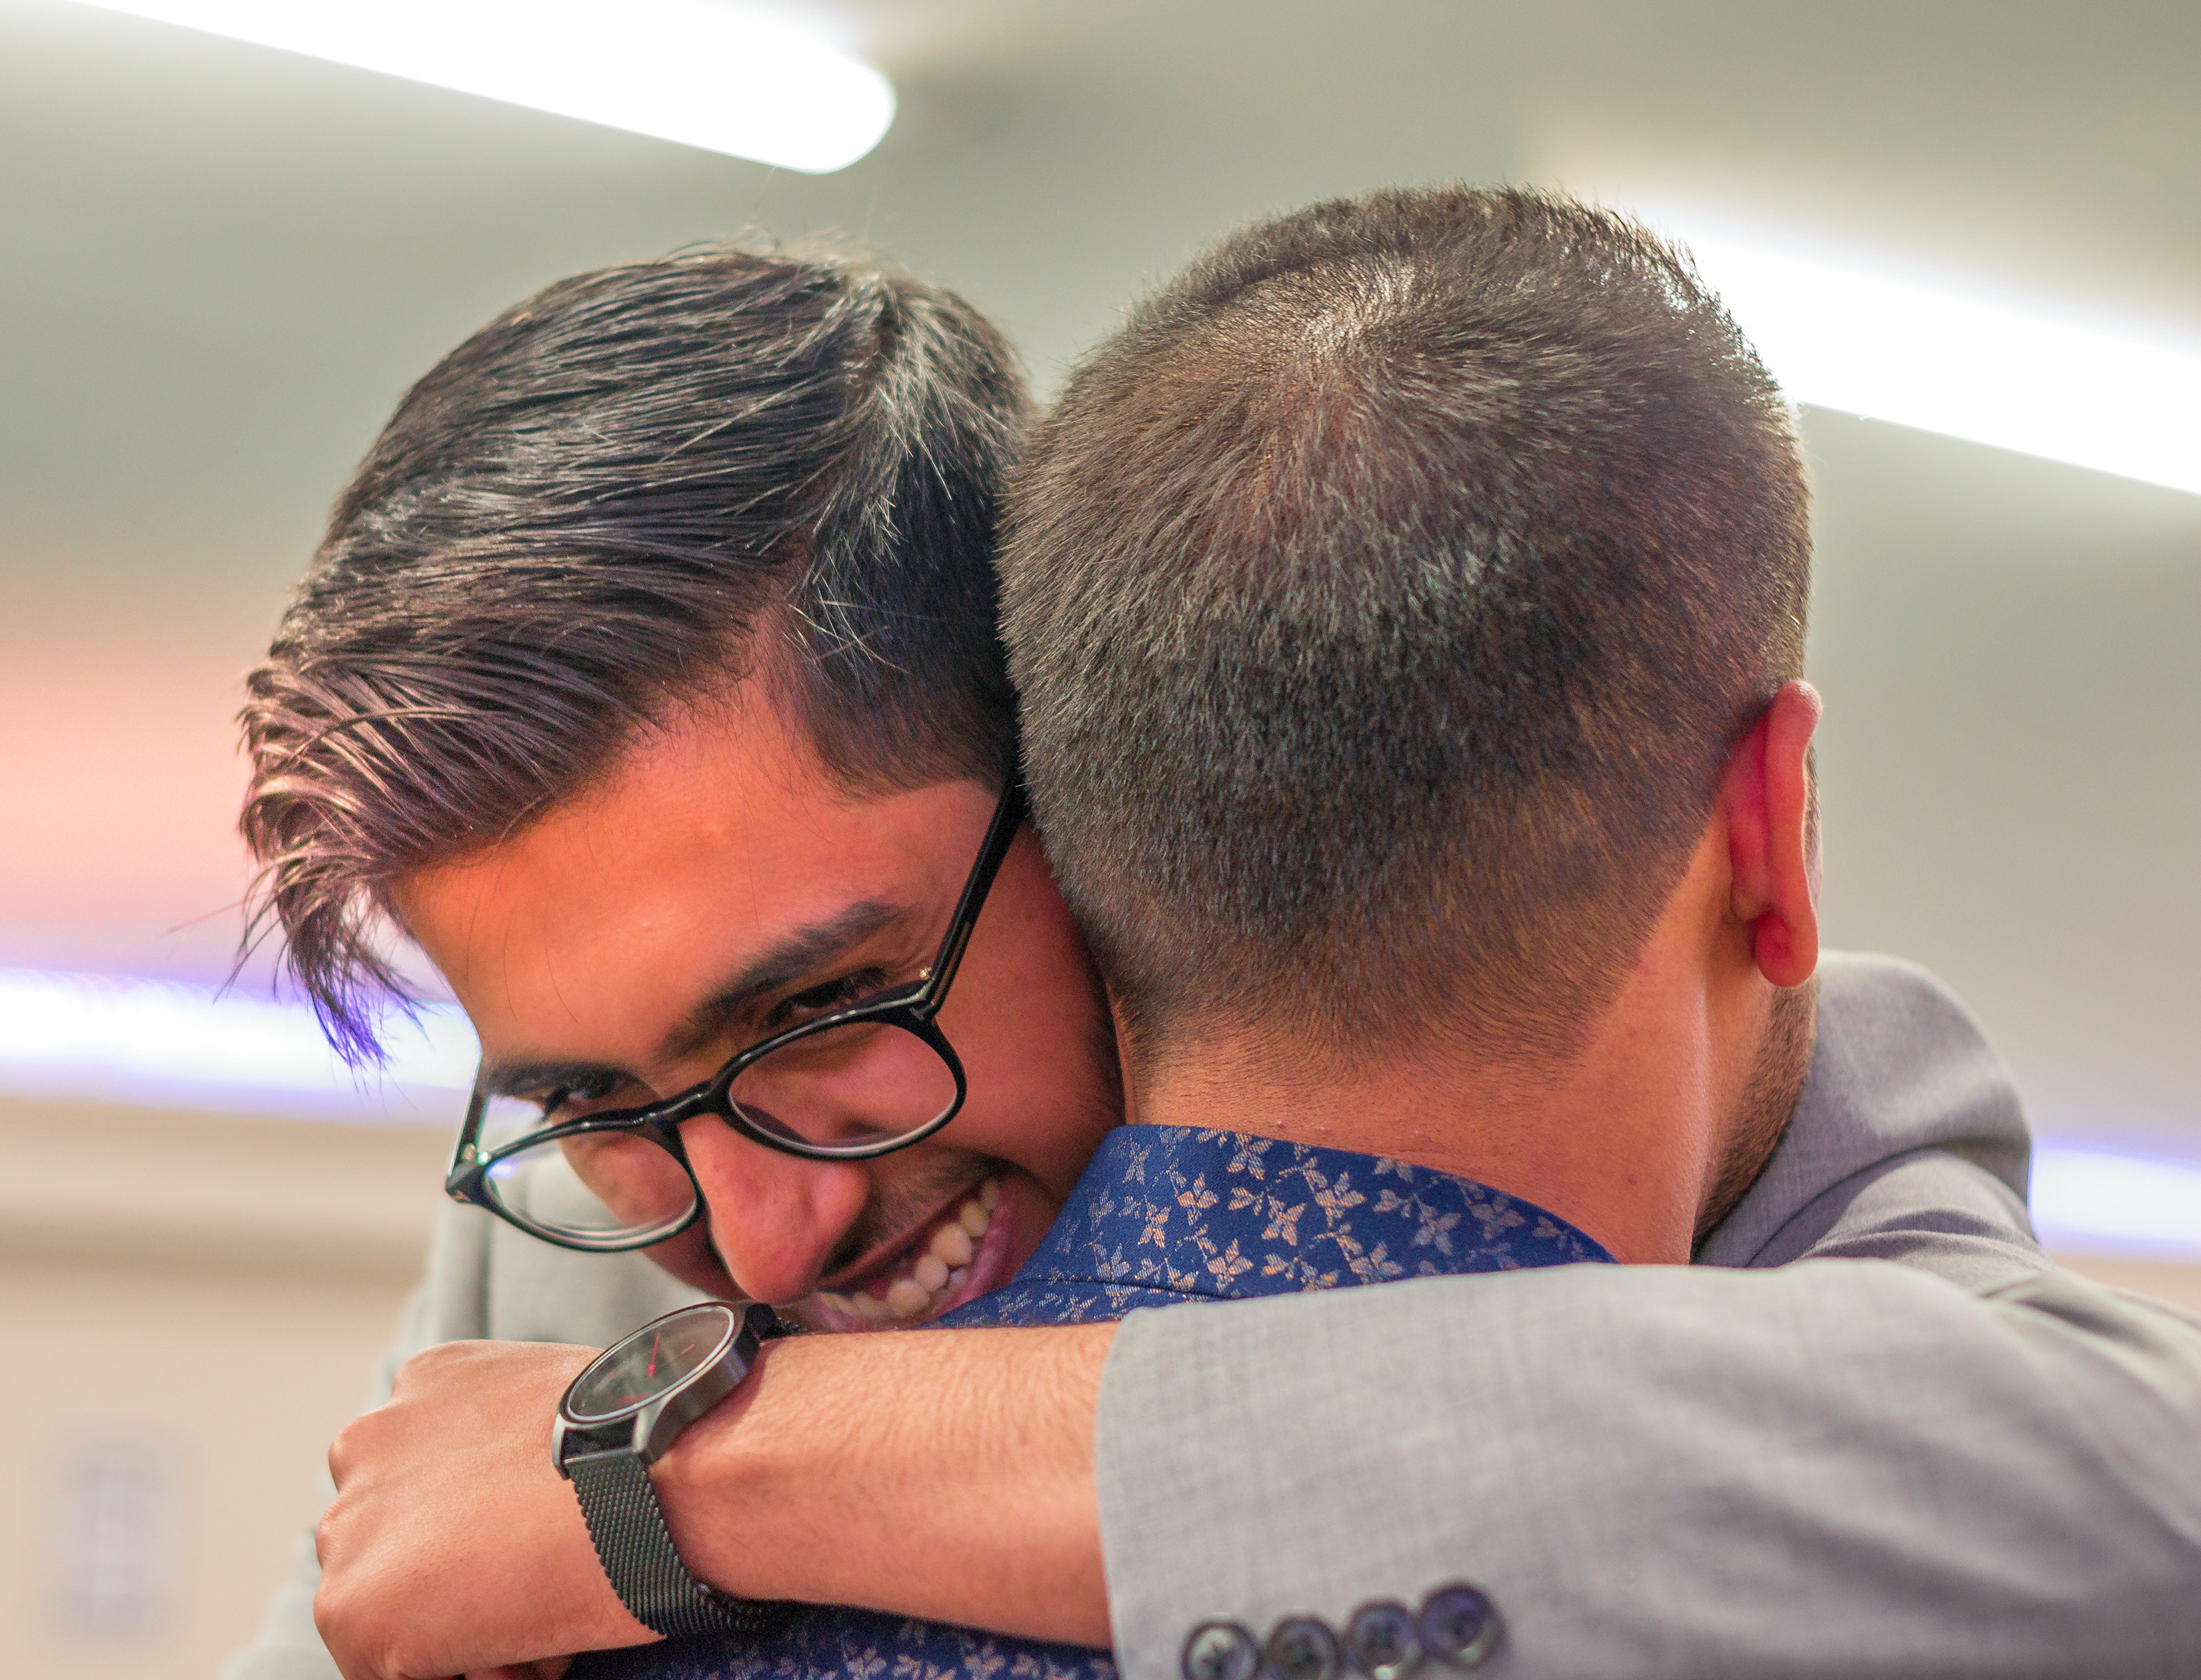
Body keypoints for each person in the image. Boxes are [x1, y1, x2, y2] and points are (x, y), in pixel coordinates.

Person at [227, 213, 2194, 1680]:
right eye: (593, 1105)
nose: (760, 1247)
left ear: (1089, 789)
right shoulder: (577, 1247)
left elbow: (2131, 1498)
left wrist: (686, 1478)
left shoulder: (1768, 1159)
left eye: (823, 1009)